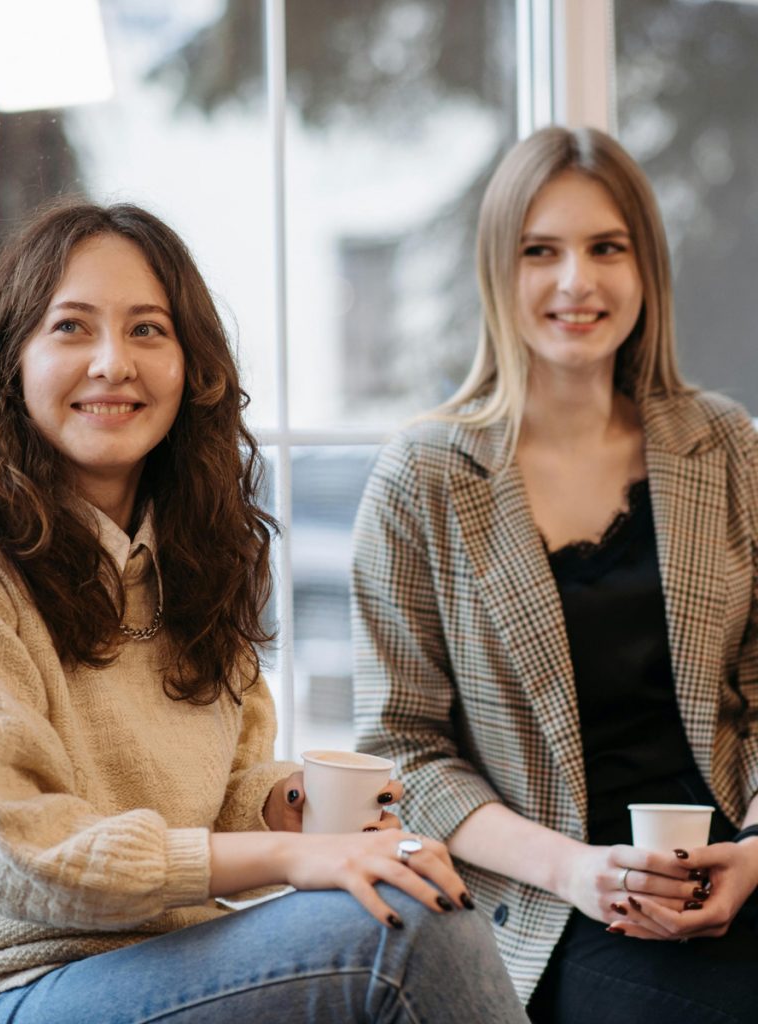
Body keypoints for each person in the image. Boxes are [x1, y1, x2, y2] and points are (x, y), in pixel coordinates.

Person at [0, 198, 529, 1023]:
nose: (113, 363)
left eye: (148, 330)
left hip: (165, 960)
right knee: (406, 933)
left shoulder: (194, 558)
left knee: (419, 887)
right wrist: (294, 856)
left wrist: (291, 805)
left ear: (191, 366)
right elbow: (23, 855)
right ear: (13, 362)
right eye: (72, 327)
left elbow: (228, 789)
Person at [352, 124, 758, 1023]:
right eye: (543, 251)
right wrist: (576, 869)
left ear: (644, 267)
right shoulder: (423, 479)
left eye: (605, 248)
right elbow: (403, 751)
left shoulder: (724, 446)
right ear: (503, 272)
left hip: (737, 864)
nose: (577, 280)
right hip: (553, 900)